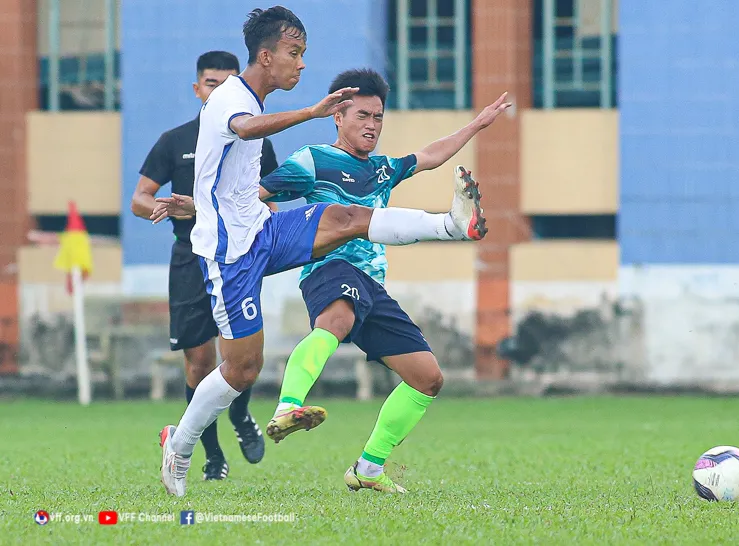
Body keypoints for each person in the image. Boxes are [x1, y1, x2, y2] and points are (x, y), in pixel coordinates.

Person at [152, 6, 497, 498]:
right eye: (294, 53)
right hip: (230, 252)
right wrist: (310, 113)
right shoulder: (231, 97)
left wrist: (476, 125)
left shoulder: (370, 160)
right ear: (266, 56)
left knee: (346, 218)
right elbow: (245, 129)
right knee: (242, 368)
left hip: (264, 231)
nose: (301, 64)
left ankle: (452, 225)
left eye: (303, 53)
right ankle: (181, 442)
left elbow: (242, 182)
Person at [257, 69, 510, 493]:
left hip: (372, 285)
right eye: (362, 115)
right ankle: (288, 406)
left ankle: (368, 468)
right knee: (335, 322)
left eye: (378, 116)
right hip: (329, 269)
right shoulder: (313, 160)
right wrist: (197, 208)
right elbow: (255, 195)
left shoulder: (381, 169)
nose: (372, 124)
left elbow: (429, 156)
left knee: (427, 378)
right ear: (338, 116)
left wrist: (477, 124)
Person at [131, 51, 273, 481]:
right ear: (198, 89)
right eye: (212, 84)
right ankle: (212, 455)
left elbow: (271, 192)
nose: (220, 91)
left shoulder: (254, 135)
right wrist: (163, 208)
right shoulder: (175, 140)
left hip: (236, 254)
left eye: (228, 83)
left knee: (239, 354)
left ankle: (241, 416)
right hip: (189, 257)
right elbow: (139, 198)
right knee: (198, 361)